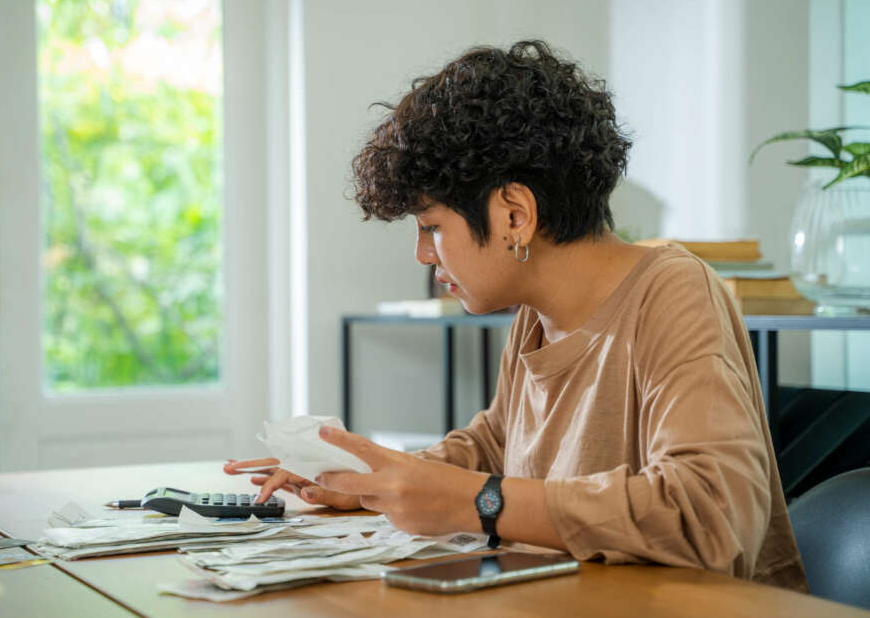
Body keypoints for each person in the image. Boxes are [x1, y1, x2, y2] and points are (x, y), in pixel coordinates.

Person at [225, 40, 807, 591]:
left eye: (432, 227)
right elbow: (496, 447)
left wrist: (479, 502)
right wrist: (372, 480)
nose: (424, 255)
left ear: (513, 215)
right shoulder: (535, 314)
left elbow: (711, 515)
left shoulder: (675, 292)